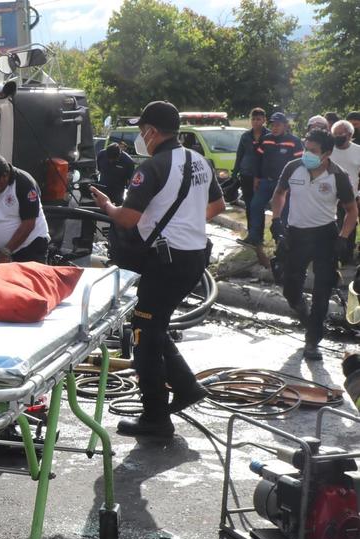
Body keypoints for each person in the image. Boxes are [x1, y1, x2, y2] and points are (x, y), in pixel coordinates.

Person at [89, 101, 226, 438]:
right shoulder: (199, 161)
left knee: (144, 336)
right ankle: (186, 387)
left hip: (166, 262)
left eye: (141, 131)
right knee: (154, 325)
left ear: (151, 131)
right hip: (193, 258)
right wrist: (186, 223)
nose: (141, 137)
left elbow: (127, 218)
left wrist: (107, 205)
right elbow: (218, 205)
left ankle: (156, 417)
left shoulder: (152, 167)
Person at [269, 128, 358, 361]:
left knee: (322, 291)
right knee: (290, 288)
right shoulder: (293, 167)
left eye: (313, 151)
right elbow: (279, 194)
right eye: (305, 148)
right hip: (296, 235)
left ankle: (312, 341)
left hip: (324, 236)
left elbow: (351, 211)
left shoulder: (338, 176)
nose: (306, 154)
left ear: (327, 153)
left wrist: (343, 237)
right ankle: (304, 313)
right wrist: (276, 220)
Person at [0, 152, 50, 266]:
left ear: (4, 177)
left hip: (30, 246)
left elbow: (28, 224)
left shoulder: (24, 183)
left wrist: (6, 252)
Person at [238, 112, 303, 247]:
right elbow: (258, 159)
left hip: (284, 185)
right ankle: (255, 238)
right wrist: (257, 177)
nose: (274, 128)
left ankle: (281, 242)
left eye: (278, 125)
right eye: (273, 125)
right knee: (255, 206)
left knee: (283, 212)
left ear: (285, 126)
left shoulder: (294, 141)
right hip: (265, 181)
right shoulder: (266, 139)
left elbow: (300, 163)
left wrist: (294, 183)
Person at [232, 108, 268, 230]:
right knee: (249, 204)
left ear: (264, 120)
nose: (255, 122)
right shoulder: (245, 136)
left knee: (259, 205)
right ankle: (251, 233)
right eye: (253, 119)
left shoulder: (269, 136)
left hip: (262, 176)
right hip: (246, 174)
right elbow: (239, 155)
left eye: (258, 119)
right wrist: (234, 173)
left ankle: (259, 234)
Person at [330, 120, 360, 262]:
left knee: (349, 225)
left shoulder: (358, 151)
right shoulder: (328, 149)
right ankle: (332, 255)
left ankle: (347, 256)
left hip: (350, 195)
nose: (337, 136)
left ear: (349, 134)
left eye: (340, 134)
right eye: (334, 134)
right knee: (333, 225)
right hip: (328, 195)